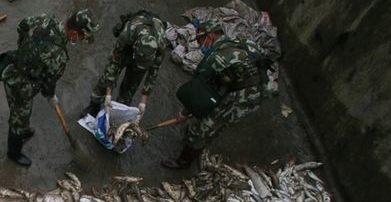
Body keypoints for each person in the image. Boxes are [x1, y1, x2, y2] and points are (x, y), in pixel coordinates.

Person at [162, 20, 277, 170]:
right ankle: (203, 139)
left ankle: (184, 161)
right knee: (215, 120)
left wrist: (184, 113)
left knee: (206, 125)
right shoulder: (238, 40)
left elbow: (198, 92)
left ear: (210, 36)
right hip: (257, 85)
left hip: (244, 96)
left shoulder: (217, 57)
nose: (200, 45)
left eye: (200, 40)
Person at [0, 9, 97, 166]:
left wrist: (23, 48)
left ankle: (23, 129)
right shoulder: (59, 56)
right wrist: (51, 96)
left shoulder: (45, 19)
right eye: (81, 37)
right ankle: (14, 153)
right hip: (20, 84)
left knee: (22, 109)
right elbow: (48, 82)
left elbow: (22, 25)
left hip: (11, 65)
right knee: (19, 115)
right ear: (74, 33)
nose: (80, 40)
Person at [85, 10, 167, 121]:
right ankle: (94, 104)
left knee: (131, 85)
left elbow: (153, 73)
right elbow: (113, 64)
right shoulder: (127, 35)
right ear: (135, 48)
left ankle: (120, 110)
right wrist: (108, 95)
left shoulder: (161, 45)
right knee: (106, 79)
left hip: (143, 50)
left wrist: (143, 101)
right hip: (128, 46)